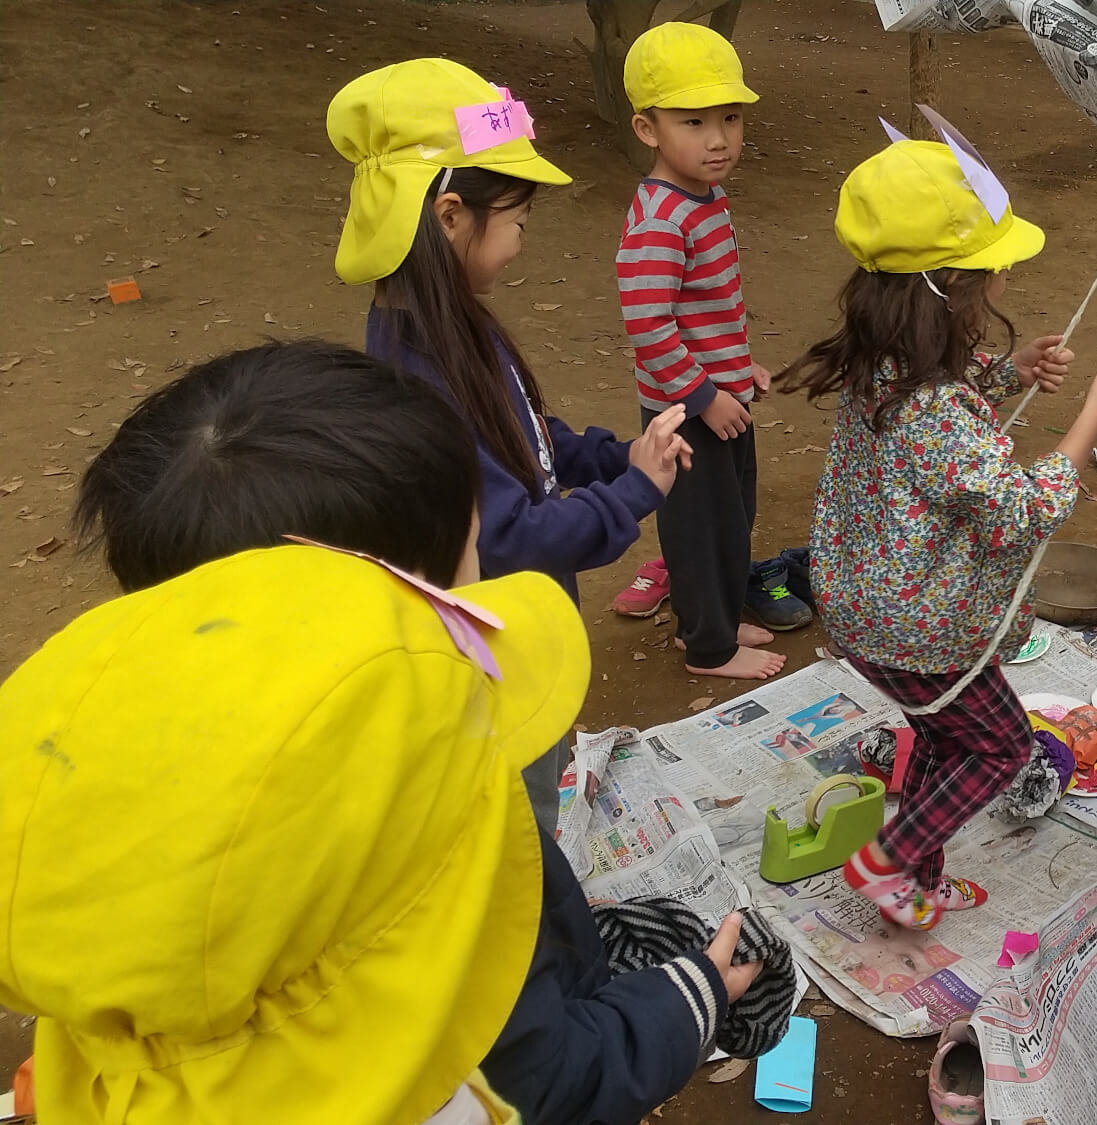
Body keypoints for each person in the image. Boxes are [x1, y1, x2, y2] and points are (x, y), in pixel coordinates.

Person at [0, 341, 758, 1125]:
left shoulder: (82, 873)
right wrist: (686, 1000)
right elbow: (546, 1079)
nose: (483, 590)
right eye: (470, 565)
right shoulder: (424, 847)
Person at [777, 139, 1097, 929]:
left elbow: (945, 403)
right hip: (921, 631)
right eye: (994, 267)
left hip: (868, 612)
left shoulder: (884, 360)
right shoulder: (932, 406)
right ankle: (885, 862)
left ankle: (920, 880)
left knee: (947, 740)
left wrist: (1013, 371)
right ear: (949, 287)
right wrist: (1089, 422)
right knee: (1002, 747)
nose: (1005, 279)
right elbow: (1016, 513)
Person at [328, 58, 693, 822]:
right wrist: (635, 490)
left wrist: (610, 455)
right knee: (518, 825)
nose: (523, 242)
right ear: (451, 215)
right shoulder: (421, 375)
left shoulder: (444, 326)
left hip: (516, 635)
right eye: (518, 222)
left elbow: (523, 431)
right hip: (493, 659)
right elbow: (511, 535)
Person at [612, 22, 808, 676]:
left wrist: (736, 366)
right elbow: (650, 327)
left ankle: (717, 621)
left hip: (721, 394)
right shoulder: (663, 220)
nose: (719, 138)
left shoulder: (706, 197)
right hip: (688, 413)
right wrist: (704, 393)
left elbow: (703, 309)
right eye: (693, 122)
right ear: (648, 129)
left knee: (733, 519)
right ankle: (707, 647)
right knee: (700, 531)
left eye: (730, 117)